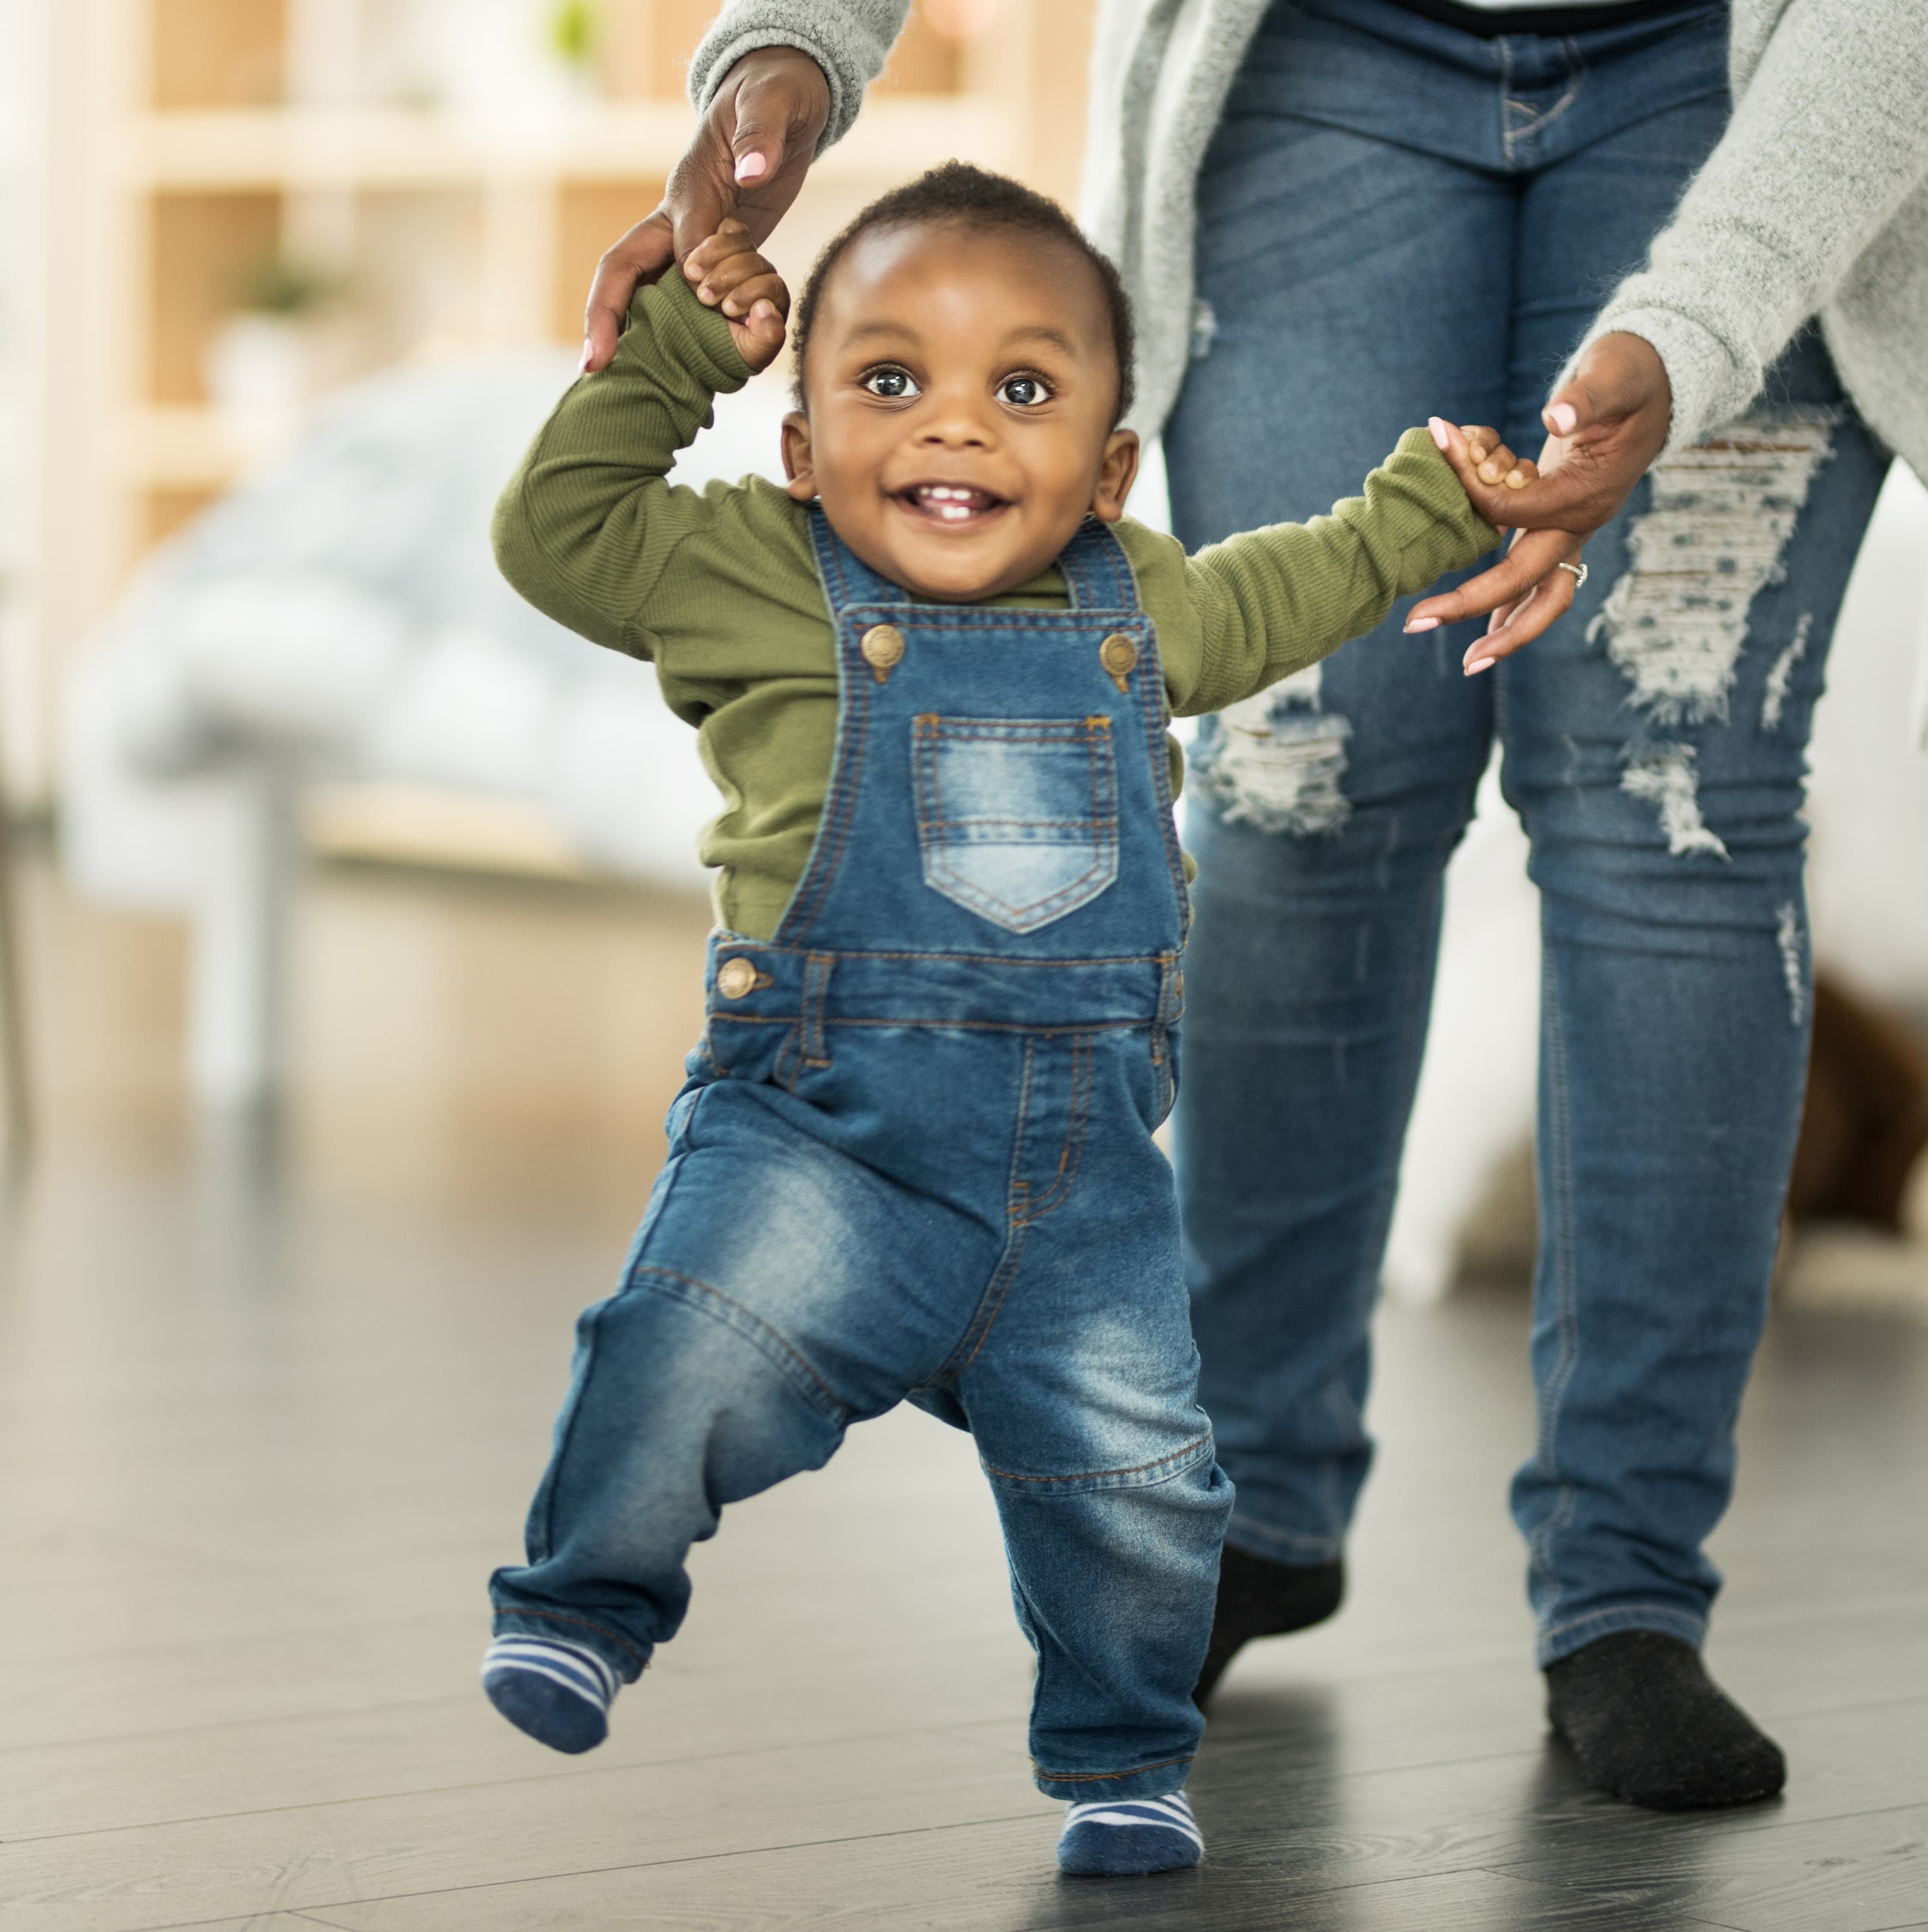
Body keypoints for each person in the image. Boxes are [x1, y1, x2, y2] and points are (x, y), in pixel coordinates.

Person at [576, 0, 1928, 1815]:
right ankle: (1250, 1505)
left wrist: (1691, 332)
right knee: (1299, 781)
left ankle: (1627, 1592)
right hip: (1317, 69)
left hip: (1750, 79)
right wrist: (797, 46)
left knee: (1672, 812)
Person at [479, 162, 1506, 1876]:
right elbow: (555, 532)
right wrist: (672, 351)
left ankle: (1123, 1760)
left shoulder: (1146, 599)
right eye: (889, 381)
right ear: (801, 444)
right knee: (679, 1345)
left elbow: (1305, 581)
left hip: (1085, 1186)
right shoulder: (749, 566)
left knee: (1147, 1491)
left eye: (1020, 391)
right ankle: (584, 1601)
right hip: (822, 1144)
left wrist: (1430, 507)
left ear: (1109, 467)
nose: (953, 430)